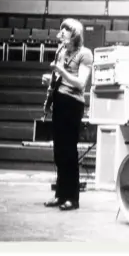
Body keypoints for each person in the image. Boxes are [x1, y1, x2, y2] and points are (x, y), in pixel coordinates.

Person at [43, 18, 93, 211]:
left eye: (66, 30)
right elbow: (58, 78)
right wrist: (50, 80)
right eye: (61, 29)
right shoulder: (61, 51)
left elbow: (80, 83)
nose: (61, 32)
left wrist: (60, 71)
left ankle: (73, 198)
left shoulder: (85, 54)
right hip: (59, 101)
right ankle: (60, 195)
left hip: (73, 104)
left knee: (69, 152)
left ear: (75, 34)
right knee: (59, 152)